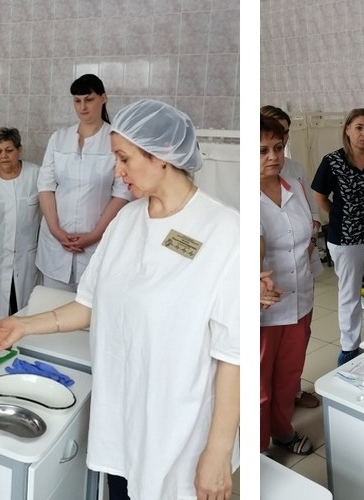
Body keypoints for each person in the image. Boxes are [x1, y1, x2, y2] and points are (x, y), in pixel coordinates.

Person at [0, 99, 240, 500]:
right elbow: (88, 305)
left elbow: (234, 356)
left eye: (124, 158)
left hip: (177, 432)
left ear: (163, 156)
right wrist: (21, 325)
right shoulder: (127, 220)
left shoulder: (225, 232)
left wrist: (218, 453)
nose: (117, 171)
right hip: (118, 419)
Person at [311, 108, 364, 366]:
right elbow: (320, 196)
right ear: (347, 129)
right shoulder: (332, 161)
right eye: (359, 128)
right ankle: (349, 347)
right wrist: (341, 215)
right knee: (349, 291)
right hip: (345, 237)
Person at [36, 74, 132, 292]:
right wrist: (55, 230)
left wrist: (95, 234)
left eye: (89, 100)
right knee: (52, 305)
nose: (82, 107)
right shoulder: (59, 138)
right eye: (77, 101)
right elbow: (46, 186)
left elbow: (122, 193)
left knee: (89, 306)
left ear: (103, 98)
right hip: (56, 244)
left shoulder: (115, 140)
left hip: (96, 243)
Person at [260, 104, 322, 409]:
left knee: (289, 372)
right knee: (261, 382)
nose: (273, 156)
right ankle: (262, 435)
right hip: (266, 303)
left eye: (278, 147)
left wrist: (310, 245)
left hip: (300, 294)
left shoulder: (294, 184)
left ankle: (284, 427)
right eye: (262, 151)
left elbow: (310, 220)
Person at [0, 128, 42, 317]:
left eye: (9, 150)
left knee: (24, 309)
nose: (4, 156)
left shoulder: (35, 174)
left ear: (19, 150)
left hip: (27, 257)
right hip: (1, 255)